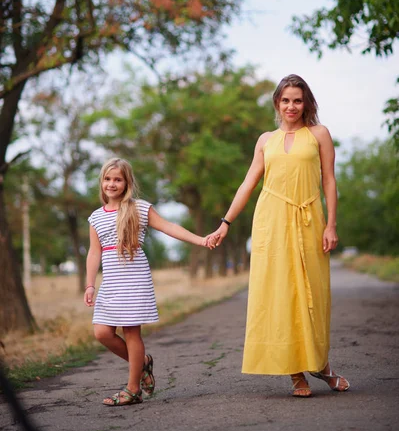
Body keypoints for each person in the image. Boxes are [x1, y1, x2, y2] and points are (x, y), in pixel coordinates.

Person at [207, 74, 350, 397]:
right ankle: (296, 374)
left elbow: (329, 181)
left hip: (309, 218)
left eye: (297, 100)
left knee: (314, 296)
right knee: (279, 296)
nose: (291, 106)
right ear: (277, 103)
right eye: (285, 100)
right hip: (271, 222)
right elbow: (248, 184)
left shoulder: (319, 134)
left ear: (306, 103)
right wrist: (225, 223)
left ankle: (322, 365)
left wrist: (331, 224)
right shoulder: (265, 140)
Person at [84, 157, 215, 406]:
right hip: (111, 281)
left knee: (131, 331)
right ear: (101, 182)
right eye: (107, 179)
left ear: (127, 183)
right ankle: (142, 363)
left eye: (118, 179)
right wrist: (90, 285)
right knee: (102, 332)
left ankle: (133, 389)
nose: (112, 184)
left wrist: (201, 240)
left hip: (134, 276)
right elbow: (94, 252)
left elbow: (169, 227)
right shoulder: (96, 217)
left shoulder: (139, 208)